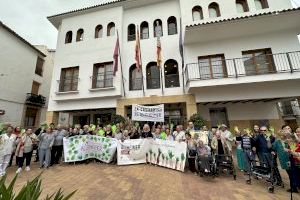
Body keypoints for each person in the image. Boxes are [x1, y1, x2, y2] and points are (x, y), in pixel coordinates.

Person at [273, 127, 299, 192]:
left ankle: (294, 187)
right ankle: (294, 186)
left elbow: (294, 148)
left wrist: (290, 150)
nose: (282, 136)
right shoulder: (277, 142)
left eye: (283, 134)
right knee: (290, 174)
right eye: (280, 135)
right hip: (284, 160)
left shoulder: (289, 141)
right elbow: (273, 148)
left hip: (291, 159)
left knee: (292, 174)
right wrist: (272, 151)